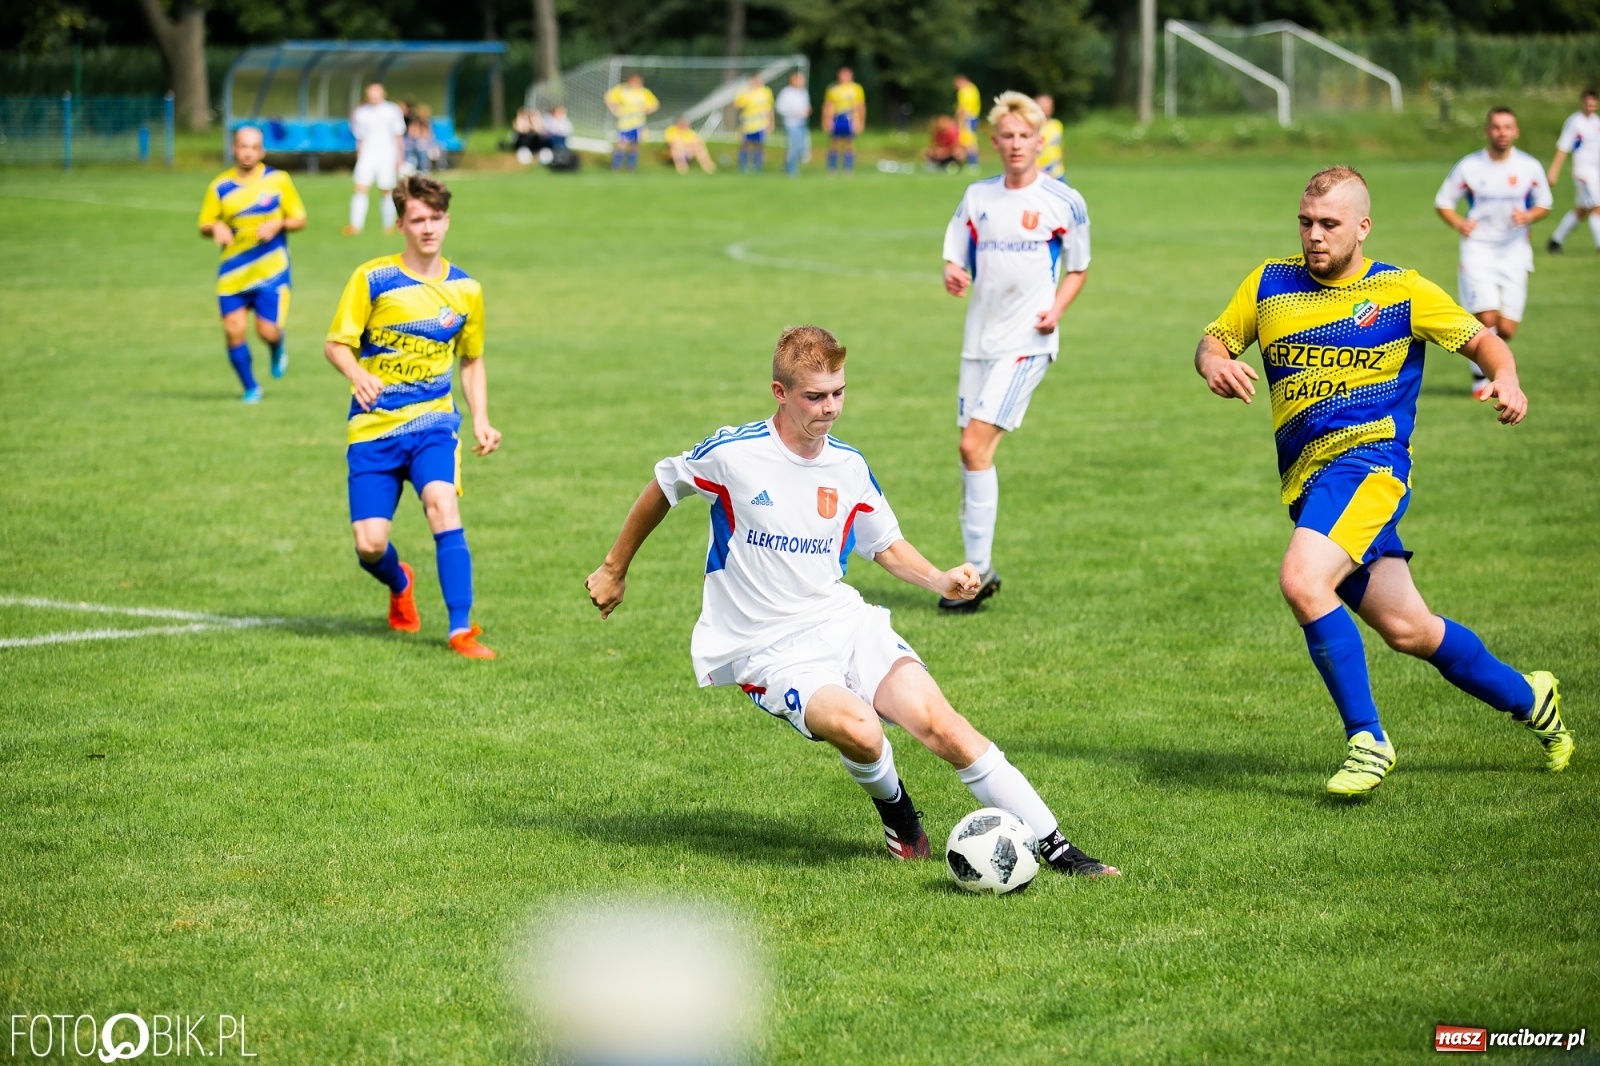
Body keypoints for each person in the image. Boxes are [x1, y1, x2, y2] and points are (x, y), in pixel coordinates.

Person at [584, 324, 1118, 877]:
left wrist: (939, 579)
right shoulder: (734, 454)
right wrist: (613, 568)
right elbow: (663, 486)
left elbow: (883, 544)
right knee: (862, 731)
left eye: (838, 392)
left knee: (943, 725)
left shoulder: (848, 466)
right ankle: (899, 813)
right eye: (815, 396)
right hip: (765, 648)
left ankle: (1059, 849)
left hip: (842, 621)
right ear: (780, 393)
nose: (830, 408)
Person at [1195, 165, 1572, 797]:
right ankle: (1532, 697)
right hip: (1312, 487)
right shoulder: (1269, 282)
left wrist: (1506, 377)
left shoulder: (1402, 290)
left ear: (1362, 227)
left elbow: (1485, 343)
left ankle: (1367, 740)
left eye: (1329, 225)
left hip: (1369, 469)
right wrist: (1215, 363)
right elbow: (1214, 339)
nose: (1314, 236)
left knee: (1302, 580)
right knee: (1411, 630)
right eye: (1306, 223)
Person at [323, 175, 501, 660]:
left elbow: (472, 359)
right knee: (369, 545)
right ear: (400, 223)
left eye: (436, 218)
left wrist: (482, 418)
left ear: (447, 220)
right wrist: (357, 372)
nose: (428, 228)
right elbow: (335, 343)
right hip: (373, 429)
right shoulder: (373, 278)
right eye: (417, 219)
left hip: (433, 426)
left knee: (443, 505)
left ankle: (460, 630)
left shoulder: (466, 289)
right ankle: (400, 580)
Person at [939, 92, 1090, 612]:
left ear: (1040, 140)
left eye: (1025, 136)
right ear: (995, 141)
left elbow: (1078, 267)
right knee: (971, 453)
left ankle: (975, 574)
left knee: (972, 448)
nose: (1016, 144)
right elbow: (956, 256)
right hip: (977, 342)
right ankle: (978, 568)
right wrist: (954, 274)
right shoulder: (977, 197)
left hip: (1027, 342)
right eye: (1006, 136)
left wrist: (1057, 311)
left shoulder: (1063, 201)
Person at [1434, 107, 1551, 399]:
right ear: (1488, 131)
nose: (1502, 132)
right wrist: (1460, 223)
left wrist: (1530, 216)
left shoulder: (1529, 167)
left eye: (1508, 127)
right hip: (1478, 250)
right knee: (1487, 317)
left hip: (1514, 252)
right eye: (1497, 127)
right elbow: (1443, 202)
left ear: (1516, 132)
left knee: (1506, 328)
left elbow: (1544, 203)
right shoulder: (1470, 167)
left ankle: (1488, 370)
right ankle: (1481, 382)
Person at [198, 124, 307, 403]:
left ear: (262, 151)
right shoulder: (220, 186)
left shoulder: (278, 180)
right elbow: (205, 223)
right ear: (234, 149)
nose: (248, 153)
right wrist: (215, 229)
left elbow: (300, 219)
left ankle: (276, 345)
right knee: (233, 330)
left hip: (271, 272)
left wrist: (279, 223)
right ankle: (251, 387)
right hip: (233, 273)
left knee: (266, 331)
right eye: (243, 146)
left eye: (254, 147)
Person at [345, 82, 407, 236]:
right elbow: (360, 137)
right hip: (368, 153)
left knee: (386, 190)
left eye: (376, 94)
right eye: (371, 95)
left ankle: (388, 225)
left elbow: (398, 136)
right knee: (360, 188)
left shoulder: (392, 110)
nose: (374, 98)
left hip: (387, 153)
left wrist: (399, 158)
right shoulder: (361, 112)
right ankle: (355, 225)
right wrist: (359, 156)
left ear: (383, 94)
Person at [1546, 89, 1600, 254]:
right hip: (1583, 172)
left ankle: (1555, 241)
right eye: (1587, 102)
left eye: (1593, 103)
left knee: (1582, 210)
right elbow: (1563, 147)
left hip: (1595, 172)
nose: (1590, 106)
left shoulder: (1597, 122)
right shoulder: (1575, 122)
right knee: (1597, 207)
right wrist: (1553, 171)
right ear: (1582, 102)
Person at [604, 73, 660, 172]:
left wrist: (645, 110)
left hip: (638, 123)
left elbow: (655, 105)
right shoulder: (622, 90)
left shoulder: (644, 92)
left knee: (635, 145)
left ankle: (631, 167)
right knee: (621, 144)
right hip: (625, 123)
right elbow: (608, 98)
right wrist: (615, 109)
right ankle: (615, 166)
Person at [821, 68, 865, 174]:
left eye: (847, 75)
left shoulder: (856, 88)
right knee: (833, 143)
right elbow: (828, 105)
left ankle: (848, 168)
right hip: (836, 118)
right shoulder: (833, 88)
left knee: (849, 143)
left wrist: (861, 121)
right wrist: (826, 120)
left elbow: (860, 106)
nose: (844, 77)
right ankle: (832, 168)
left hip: (850, 118)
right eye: (842, 75)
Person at [733, 75, 774, 173]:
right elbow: (737, 106)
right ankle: (742, 166)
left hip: (760, 124)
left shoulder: (765, 92)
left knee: (759, 145)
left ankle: (758, 166)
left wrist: (771, 122)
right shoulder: (745, 92)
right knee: (745, 145)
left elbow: (770, 108)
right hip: (747, 124)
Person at [775, 71, 811, 177]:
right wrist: (793, 112)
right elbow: (780, 107)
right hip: (791, 123)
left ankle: (788, 165)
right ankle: (790, 168)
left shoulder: (803, 92)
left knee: (802, 147)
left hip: (802, 122)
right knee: (794, 146)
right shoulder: (786, 92)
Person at [953, 74, 981, 168]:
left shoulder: (964, 91)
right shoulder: (973, 88)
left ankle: (973, 162)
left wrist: (958, 119)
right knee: (969, 140)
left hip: (967, 118)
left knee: (969, 141)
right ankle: (969, 161)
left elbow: (963, 108)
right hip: (974, 116)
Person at [1036, 94, 1065, 180]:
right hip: (1040, 171)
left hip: (1057, 172)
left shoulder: (1056, 124)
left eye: (1048, 104)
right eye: (1042, 104)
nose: (1045, 107)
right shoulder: (1032, 127)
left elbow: (1059, 146)